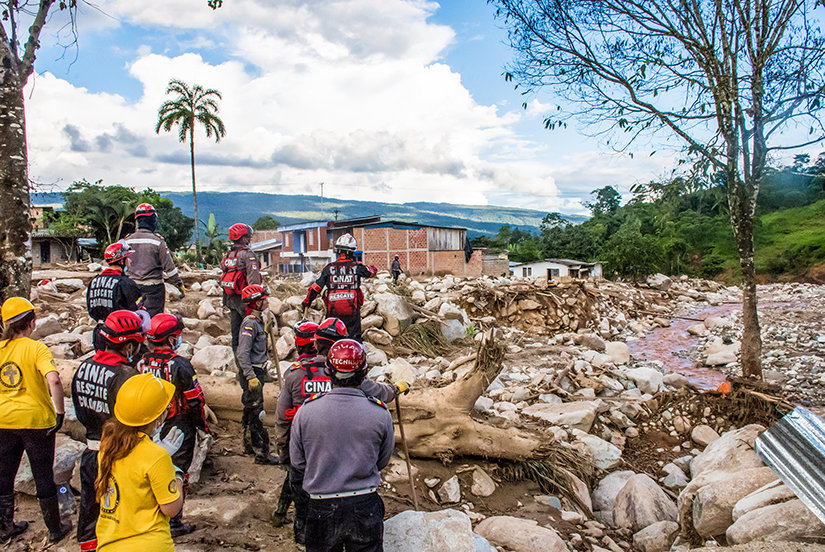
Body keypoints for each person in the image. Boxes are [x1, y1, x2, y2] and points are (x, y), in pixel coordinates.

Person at [274, 318, 407, 545]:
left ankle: (295, 534)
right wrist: (396, 389)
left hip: (316, 478)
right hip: (363, 501)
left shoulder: (299, 386)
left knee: (302, 511)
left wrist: (288, 453)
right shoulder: (379, 411)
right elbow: (382, 459)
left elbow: (283, 423)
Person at [290, 339, 395, 552]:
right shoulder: (380, 414)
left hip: (322, 505)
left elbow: (298, 462)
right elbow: (382, 460)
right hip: (365, 505)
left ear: (329, 371)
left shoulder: (306, 411)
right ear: (364, 374)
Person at [0, 297, 72, 543]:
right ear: (31, 322)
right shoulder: (36, 348)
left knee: (4, 475)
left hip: (3, 421)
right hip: (36, 421)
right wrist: (60, 412)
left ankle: (5, 527)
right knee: (42, 475)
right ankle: (55, 528)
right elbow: (53, 379)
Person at [72, 311, 143, 552]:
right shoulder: (127, 376)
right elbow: (135, 418)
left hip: (91, 450)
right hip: (120, 454)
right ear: (129, 346)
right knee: (122, 512)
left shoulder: (83, 367)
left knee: (90, 512)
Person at [94, 373, 185, 551]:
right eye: (165, 407)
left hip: (109, 542)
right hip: (149, 544)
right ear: (157, 417)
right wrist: (177, 475)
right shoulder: (157, 456)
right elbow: (171, 508)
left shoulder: (107, 446)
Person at [138, 313, 208, 537]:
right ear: (170, 339)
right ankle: (174, 521)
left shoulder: (142, 361)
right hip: (178, 423)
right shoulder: (180, 365)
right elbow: (195, 399)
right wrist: (202, 426)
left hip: (148, 422)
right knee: (177, 472)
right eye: (177, 336)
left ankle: (151, 511)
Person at [302, 233, 377, 342]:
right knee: (354, 340)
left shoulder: (329, 268)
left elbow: (316, 288)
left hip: (333, 311)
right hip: (352, 310)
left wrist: (307, 302)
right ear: (352, 252)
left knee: (331, 338)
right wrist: (370, 267)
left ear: (338, 251)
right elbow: (371, 272)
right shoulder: (357, 267)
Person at [236, 284, 278, 465]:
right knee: (257, 412)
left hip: (259, 369)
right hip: (252, 372)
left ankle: (247, 445)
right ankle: (262, 452)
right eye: (264, 300)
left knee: (249, 409)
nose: (267, 301)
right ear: (255, 303)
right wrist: (250, 375)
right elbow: (242, 353)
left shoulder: (259, 321)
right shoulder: (249, 324)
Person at [123, 203, 185, 316]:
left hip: (131, 287)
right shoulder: (158, 242)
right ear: (152, 220)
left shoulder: (126, 242)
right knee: (153, 321)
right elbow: (169, 269)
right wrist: (179, 284)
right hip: (153, 290)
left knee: (134, 319)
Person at [221, 223, 262, 354]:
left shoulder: (228, 256)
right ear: (243, 238)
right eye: (248, 236)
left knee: (236, 336)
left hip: (232, 301)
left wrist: (225, 302)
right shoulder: (248, 255)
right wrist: (257, 304)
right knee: (256, 335)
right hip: (246, 302)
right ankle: (256, 370)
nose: (249, 239)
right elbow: (254, 280)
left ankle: (241, 370)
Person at [87, 241, 142, 322]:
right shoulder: (126, 284)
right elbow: (138, 311)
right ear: (121, 261)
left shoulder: (94, 281)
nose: (130, 261)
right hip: (124, 330)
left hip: (101, 330)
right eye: (127, 258)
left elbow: (91, 309)